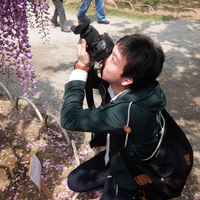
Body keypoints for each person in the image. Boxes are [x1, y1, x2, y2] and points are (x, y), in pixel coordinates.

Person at [60, 34, 166, 199]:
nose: (106, 58)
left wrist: (82, 66)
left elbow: (69, 118)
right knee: (75, 181)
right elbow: (93, 78)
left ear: (127, 80)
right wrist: (91, 60)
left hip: (131, 176)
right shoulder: (137, 83)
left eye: (113, 59)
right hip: (119, 154)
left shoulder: (129, 112)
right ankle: (111, 170)